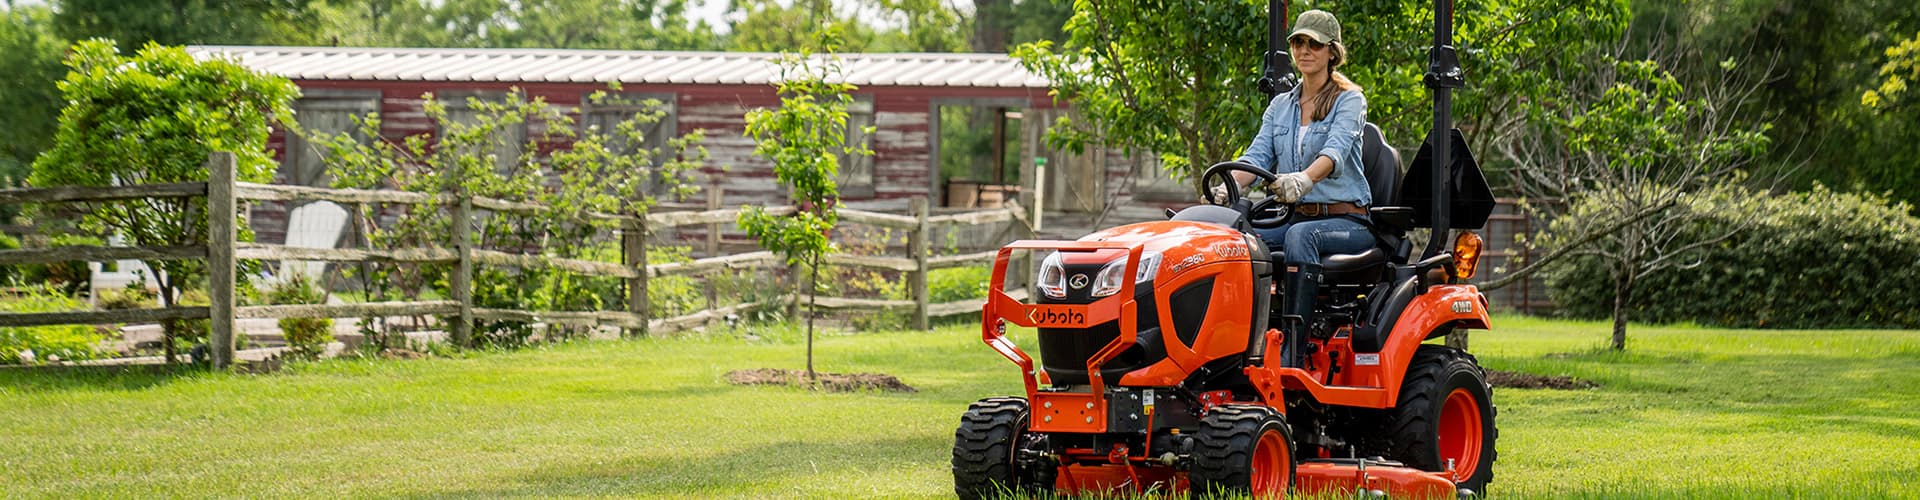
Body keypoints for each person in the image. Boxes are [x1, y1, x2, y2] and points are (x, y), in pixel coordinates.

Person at [1214, 9, 1371, 366]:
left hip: (1347, 222)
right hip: (1294, 218)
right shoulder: (1281, 106)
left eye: (1314, 44)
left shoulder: (1349, 100)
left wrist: (1305, 178)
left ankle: (1293, 351)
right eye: (1298, 42)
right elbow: (1255, 159)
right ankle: (1232, 345)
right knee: (1232, 240)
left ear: (1332, 51)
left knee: (1302, 237)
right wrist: (1228, 188)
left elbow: (1335, 150)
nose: (1304, 51)